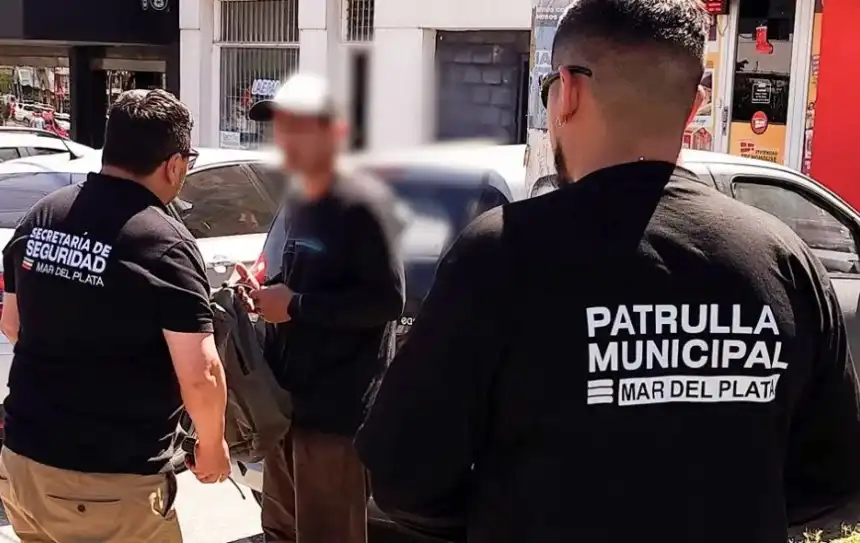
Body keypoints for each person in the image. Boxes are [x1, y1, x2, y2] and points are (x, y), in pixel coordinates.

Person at [355, 1, 860, 542]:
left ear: (568, 92)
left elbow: (403, 474)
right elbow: (833, 475)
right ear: (696, 105)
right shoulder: (784, 260)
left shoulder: (500, 256)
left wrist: (509, 513)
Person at [0, 89, 230, 543]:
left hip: (23, 464)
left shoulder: (43, 215)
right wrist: (212, 444)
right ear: (174, 164)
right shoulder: (163, 241)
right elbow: (201, 372)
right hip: (107, 484)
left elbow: (12, 323)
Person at [238, 73, 405, 543]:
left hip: (334, 421)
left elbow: (386, 300)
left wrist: (296, 306)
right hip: (286, 410)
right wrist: (264, 292)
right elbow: (305, 284)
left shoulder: (362, 203)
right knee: (280, 532)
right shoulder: (301, 200)